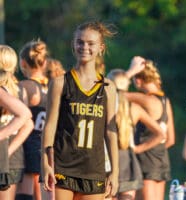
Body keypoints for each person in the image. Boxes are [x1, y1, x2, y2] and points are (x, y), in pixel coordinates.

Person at [41, 20, 119, 200]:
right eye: (80, 42)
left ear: (101, 47)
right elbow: (50, 126)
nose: (84, 47)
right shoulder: (60, 82)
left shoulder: (108, 86)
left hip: (93, 168)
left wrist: (114, 172)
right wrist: (45, 164)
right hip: (63, 166)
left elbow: (111, 131)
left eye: (90, 43)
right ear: (73, 44)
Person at [107, 69, 164, 200]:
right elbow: (161, 134)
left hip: (108, 161)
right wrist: (138, 149)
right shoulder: (134, 108)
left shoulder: (104, 106)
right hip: (128, 163)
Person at [124, 56, 176, 200]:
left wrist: (139, 149)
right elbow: (170, 140)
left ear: (138, 80)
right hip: (162, 162)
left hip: (145, 162)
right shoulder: (166, 101)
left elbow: (115, 92)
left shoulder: (146, 99)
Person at [16, 39, 49, 200]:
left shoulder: (24, 86)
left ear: (23, 63)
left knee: (24, 191)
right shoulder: (51, 86)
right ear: (44, 63)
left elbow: (19, 117)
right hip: (45, 145)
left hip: (27, 143)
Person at [0, 44, 34, 200]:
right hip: (11, 155)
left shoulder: (9, 90)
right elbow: (28, 124)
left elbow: (26, 119)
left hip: (7, 156)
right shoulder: (20, 89)